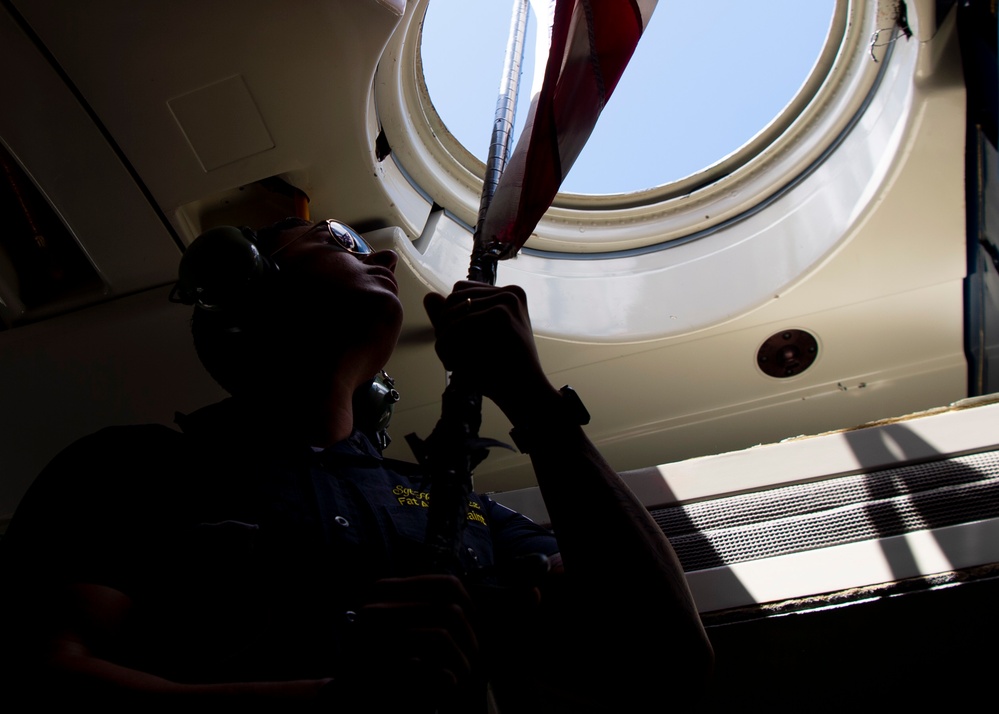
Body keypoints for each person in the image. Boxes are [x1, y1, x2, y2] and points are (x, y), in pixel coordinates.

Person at [0, 217, 713, 712]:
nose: (387, 260)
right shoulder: (132, 469)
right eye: (337, 239)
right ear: (244, 278)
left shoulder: (455, 502)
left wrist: (531, 398)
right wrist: (325, 705)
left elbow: (663, 664)